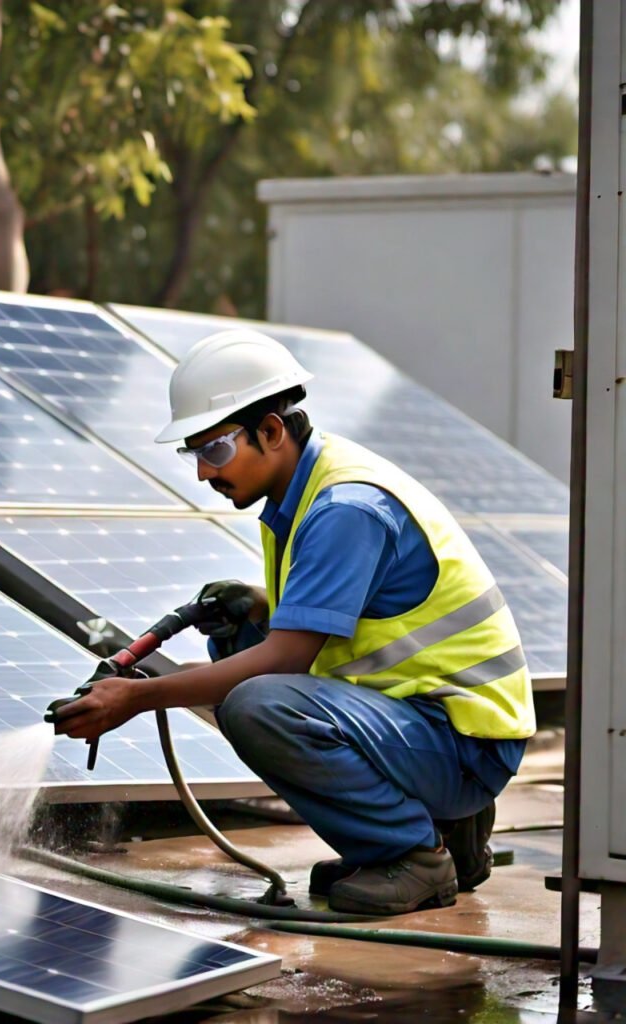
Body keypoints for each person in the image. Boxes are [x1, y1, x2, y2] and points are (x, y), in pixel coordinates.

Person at [53, 328, 536, 916]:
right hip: (427, 721)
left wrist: (140, 696)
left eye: (216, 451)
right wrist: (258, 603)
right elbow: (363, 619)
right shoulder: (301, 490)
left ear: (272, 431)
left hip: (462, 744)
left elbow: (285, 661)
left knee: (257, 703)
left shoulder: (344, 509)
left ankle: (413, 855)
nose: (204, 473)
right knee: (238, 639)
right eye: (196, 454)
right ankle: (430, 832)